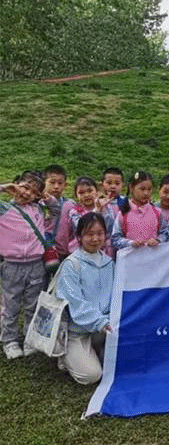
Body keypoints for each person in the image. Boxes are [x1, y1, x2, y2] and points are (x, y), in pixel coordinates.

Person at [0, 172, 59, 359]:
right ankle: (9, 340)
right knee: (11, 305)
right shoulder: (4, 209)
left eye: (33, 192)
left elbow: (56, 209)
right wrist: (4, 187)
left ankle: (29, 338)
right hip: (12, 265)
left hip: (36, 265)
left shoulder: (39, 210)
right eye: (24, 187)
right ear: (16, 185)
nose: (27, 193)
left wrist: (46, 198)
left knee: (33, 304)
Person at [55, 212, 114, 384]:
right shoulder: (71, 264)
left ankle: (94, 349)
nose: (95, 239)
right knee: (91, 375)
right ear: (79, 236)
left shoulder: (110, 263)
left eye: (100, 233)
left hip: (102, 328)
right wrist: (100, 322)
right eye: (89, 234)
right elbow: (75, 302)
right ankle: (65, 353)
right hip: (77, 331)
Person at [111, 171, 167, 250]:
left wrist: (158, 240)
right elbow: (115, 239)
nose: (146, 193)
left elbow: (165, 233)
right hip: (131, 256)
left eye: (149, 189)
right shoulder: (123, 213)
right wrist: (130, 243)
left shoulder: (157, 212)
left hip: (153, 256)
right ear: (131, 188)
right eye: (142, 189)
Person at [68, 176, 114, 255]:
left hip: (104, 250)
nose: (86, 195)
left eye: (90, 191)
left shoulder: (106, 207)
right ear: (76, 195)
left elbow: (110, 227)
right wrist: (97, 211)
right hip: (83, 251)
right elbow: (81, 227)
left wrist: (103, 210)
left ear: (97, 191)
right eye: (81, 193)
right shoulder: (75, 212)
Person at [43, 164, 75, 261]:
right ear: (43, 182)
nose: (56, 186)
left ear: (65, 185)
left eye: (60, 183)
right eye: (52, 182)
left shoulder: (70, 205)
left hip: (63, 253)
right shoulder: (38, 204)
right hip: (41, 252)